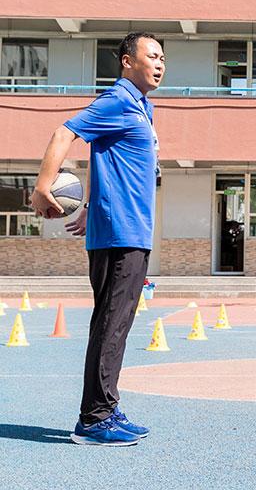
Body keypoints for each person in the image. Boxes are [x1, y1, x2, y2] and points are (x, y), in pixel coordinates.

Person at [30, 33, 164, 446]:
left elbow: (106, 157)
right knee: (110, 324)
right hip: (119, 234)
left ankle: (106, 405)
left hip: (131, 230)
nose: (160, 63)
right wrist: (42, 186)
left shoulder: (142, 106)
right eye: (151, 56)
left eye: (163, 57)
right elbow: (64, 133)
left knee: (117, 326)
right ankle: (93, 419)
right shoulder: (119, 99)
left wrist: (88, 206)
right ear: (127, 61)